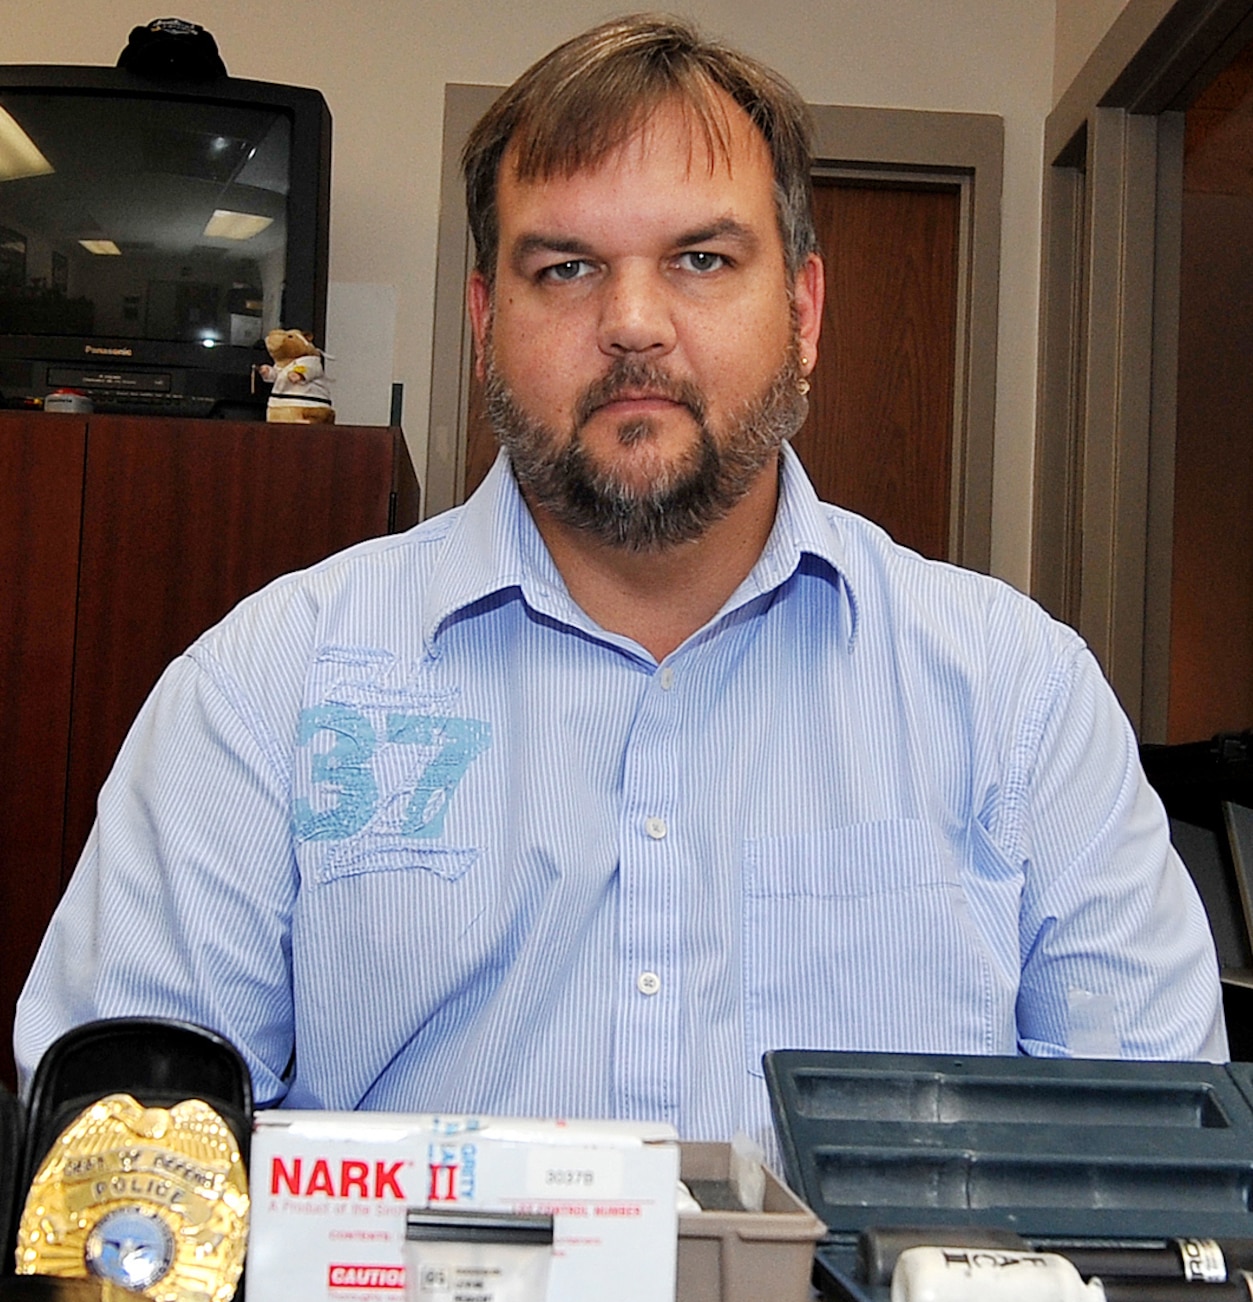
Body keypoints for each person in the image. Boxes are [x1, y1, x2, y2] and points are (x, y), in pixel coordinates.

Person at [15, 14, 1224, 1143]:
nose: (634, 321)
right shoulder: (261, 690)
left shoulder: (1021, 699)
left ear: (802, 309)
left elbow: (1150, 1180)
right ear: (484, 322)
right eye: (565, 268)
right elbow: (117, 1195)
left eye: (700, 258)